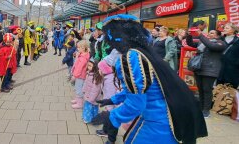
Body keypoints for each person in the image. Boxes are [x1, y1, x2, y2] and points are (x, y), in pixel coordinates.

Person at [91, 14, 207, 144]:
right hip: (166, 115)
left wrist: (112, 116)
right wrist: (113, 100)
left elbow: (136, 103)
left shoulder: (131, 57)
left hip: (159, 121)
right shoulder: (143, 52)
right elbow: (141, 88)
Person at [193, 29, 226, 118]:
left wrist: (200, 35)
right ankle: (201, 108)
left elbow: (211, 46)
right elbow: (190, 44)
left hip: (210, 70)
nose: (209, 34)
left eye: (212, 33)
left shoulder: (221, 43)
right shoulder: (203, 41)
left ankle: (206, 111)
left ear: (217, 35)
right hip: (199, 68)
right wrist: (189, 35)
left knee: (207, 89)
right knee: (200, 89)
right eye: (209, 32)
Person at [218, 22, 239, 88]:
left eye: (227, 28)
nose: (224, 29)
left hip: (233, 71)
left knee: (230, 93)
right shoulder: (220, 39)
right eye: (224, 28)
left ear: (233, 30)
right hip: (219, 70)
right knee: (218, 93)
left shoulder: (237, 40)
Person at [82, 59, 103, 124]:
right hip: (88, 94)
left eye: (90, 66)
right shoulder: (89, 73)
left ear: (95, 67)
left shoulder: (96, 76)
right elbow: (85, 83)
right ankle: (89, 118)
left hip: (93, 97)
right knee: (88, 107)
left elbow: (95, 90)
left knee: (91, 108)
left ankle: (88, 119)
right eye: (88, 65)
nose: (88, 67)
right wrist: (84, 90)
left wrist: (91, 98)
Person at [71, 40, 90, 109]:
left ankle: (80, 103)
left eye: (78, 48)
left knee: (79, 89)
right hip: (79, 75)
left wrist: (74, 75)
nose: (77, 49)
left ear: (83, 48)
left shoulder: (83, 58)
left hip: (80, 76)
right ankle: (77, 100)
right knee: (77, 87)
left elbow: (79, 68)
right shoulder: (82, 55)